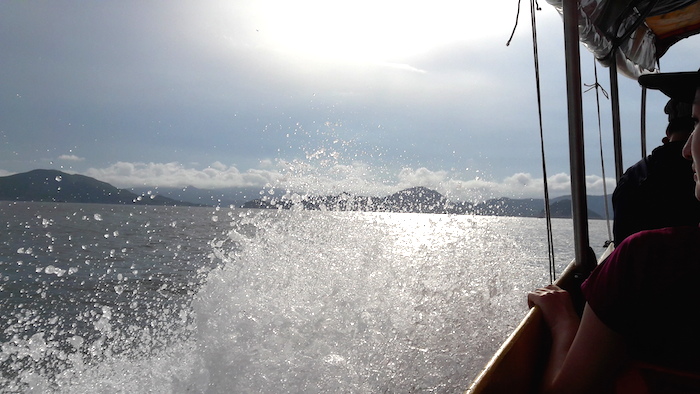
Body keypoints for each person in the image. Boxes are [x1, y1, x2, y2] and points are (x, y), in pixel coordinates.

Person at [528, 68, 700, 394]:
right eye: (692, 123)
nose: (687, 150)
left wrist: (563, 319)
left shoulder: (643, 257)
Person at [612, 98, 700, 245]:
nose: (686, 152)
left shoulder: (634, 177)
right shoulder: (693, 178)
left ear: (667, 132)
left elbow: (621, 237)